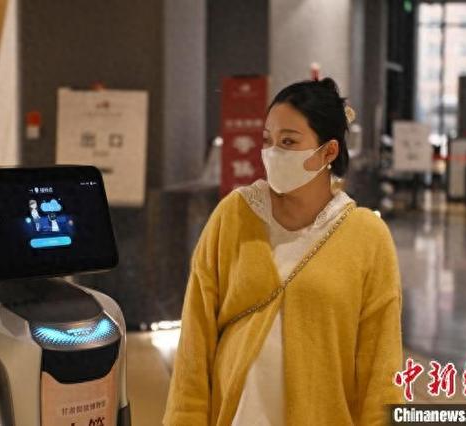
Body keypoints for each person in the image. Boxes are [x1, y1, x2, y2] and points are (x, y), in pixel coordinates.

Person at [163, 78, 403, 425]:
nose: (273, 152)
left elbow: (381, 365)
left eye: (289, 141)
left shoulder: (367, 236)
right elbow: (195, 342)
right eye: (267, 140)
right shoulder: (235, 215)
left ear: (328, 152)